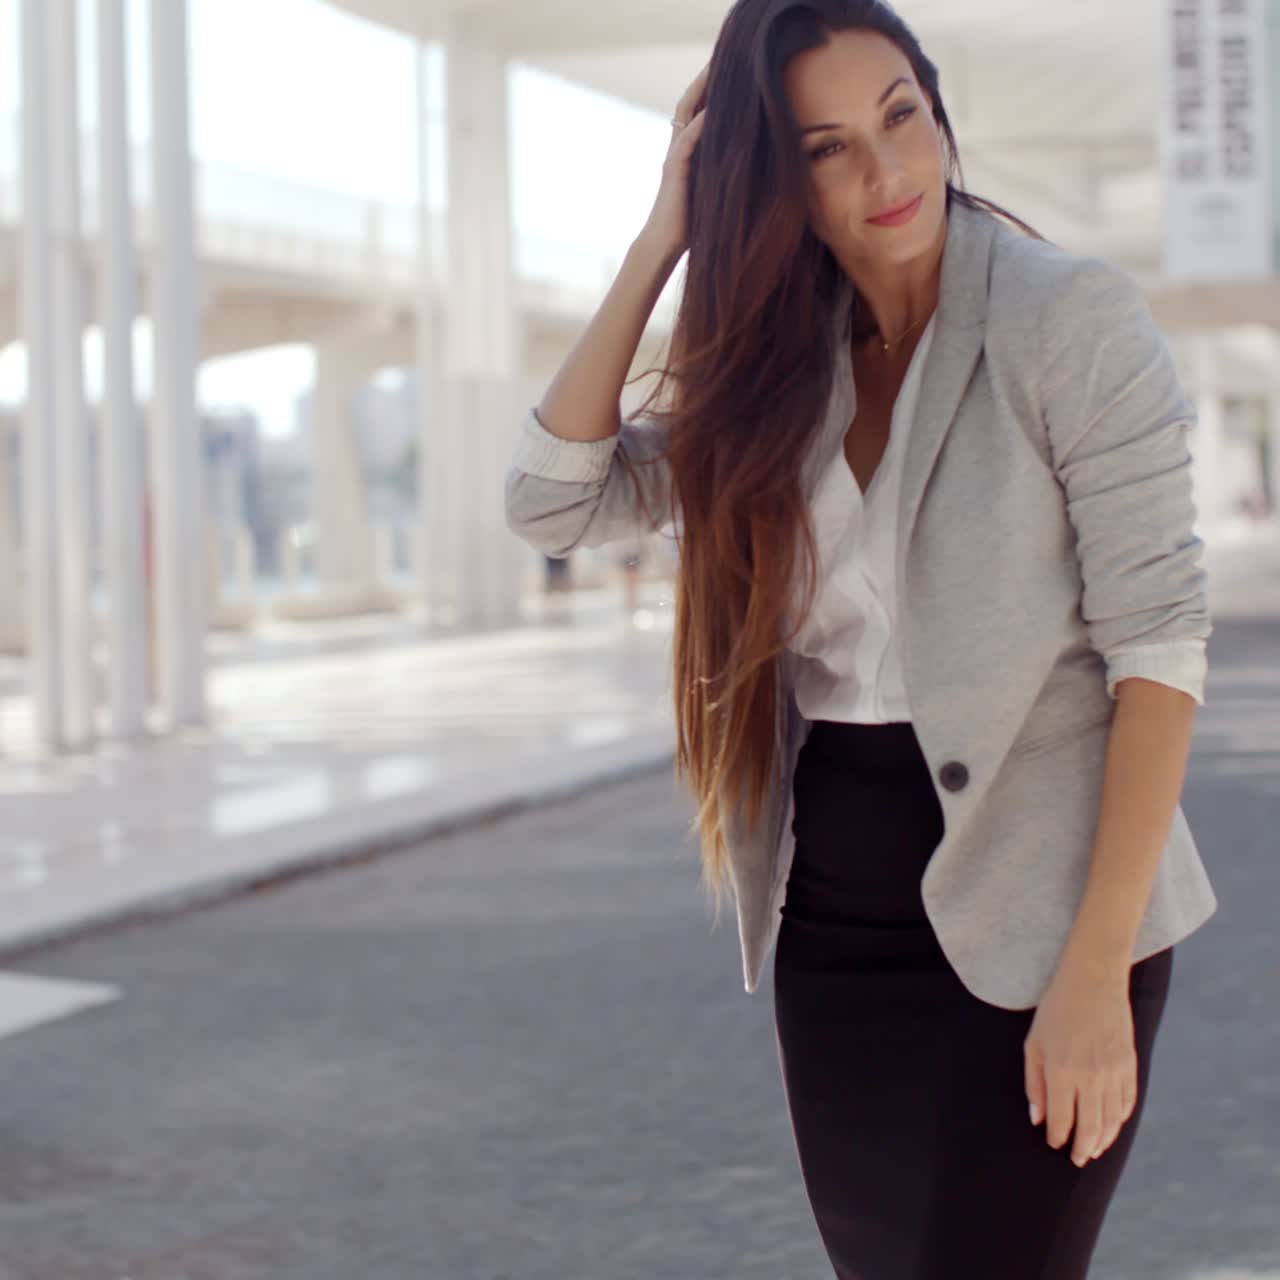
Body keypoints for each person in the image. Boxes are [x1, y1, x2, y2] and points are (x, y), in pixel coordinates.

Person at [503, 2, 1215, 1275]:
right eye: (825, 148)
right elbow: (552, 502)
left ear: (936, 110)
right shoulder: (773, 368)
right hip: (837, 929)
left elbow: (1157, 649)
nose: (886, 170)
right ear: (776, 182)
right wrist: (662, 238)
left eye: (899, 116)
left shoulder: (1065, 320)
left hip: (1048, 920)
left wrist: (1096, 969)